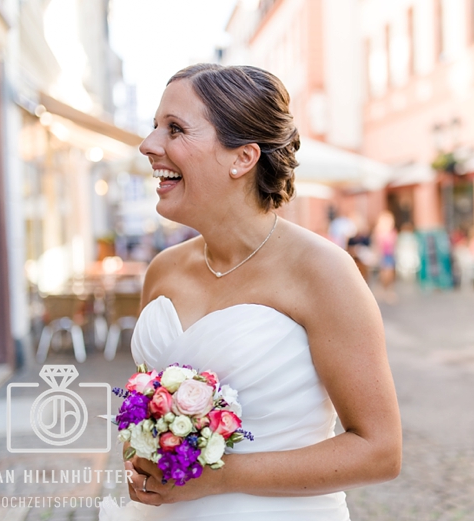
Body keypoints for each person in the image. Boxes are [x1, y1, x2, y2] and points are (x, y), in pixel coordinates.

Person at [109, 64, 401, 519]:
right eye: (154, 127)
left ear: (242, 158)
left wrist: (217, 478)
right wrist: (143, 456)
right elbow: (147, 413)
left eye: (175, 129)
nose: (149, 145)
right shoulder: (163, 270)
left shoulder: (324, 272)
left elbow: (379, 450)